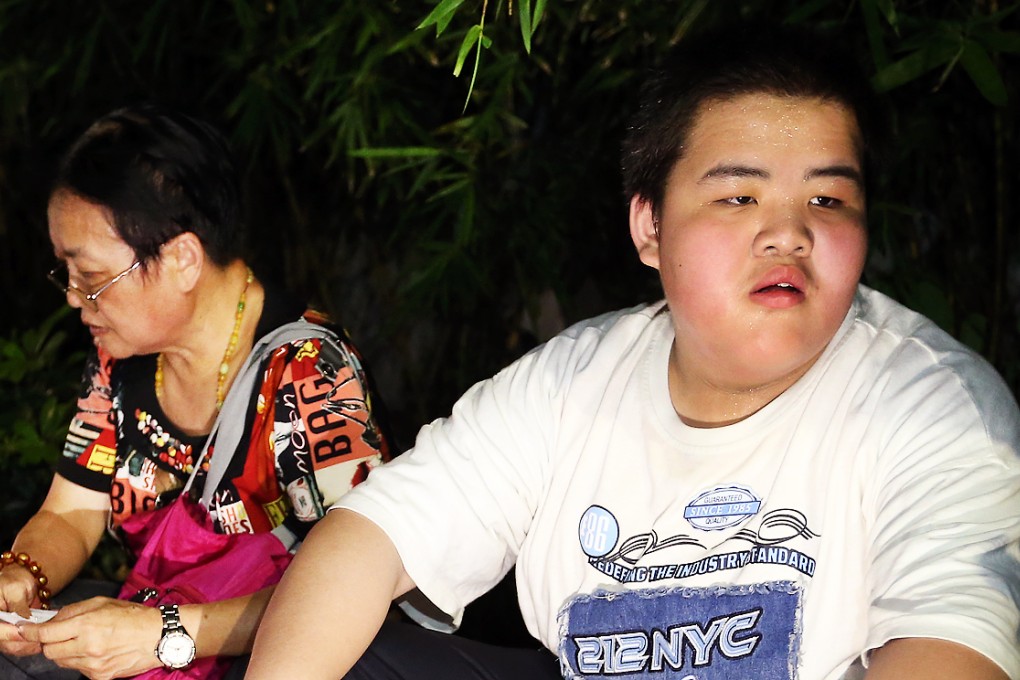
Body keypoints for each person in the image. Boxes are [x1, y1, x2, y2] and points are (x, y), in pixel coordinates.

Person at [246, 23, 1020, 680]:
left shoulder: (936, 408)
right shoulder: (573, 381)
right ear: (649, 227)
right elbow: (371, 539)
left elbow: (950, 646)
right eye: (738, 196)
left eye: (827, 198)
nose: (790, 232)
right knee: (371, 653)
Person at [0, 103, 391, 679]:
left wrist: (166, 635)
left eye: (90, 277)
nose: (73, 298)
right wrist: (22, 577)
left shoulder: (309, 372)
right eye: (66, 274)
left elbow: (357, 585)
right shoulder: (120, 358)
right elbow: (72, 511)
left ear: (182, 258)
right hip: (151, 623)